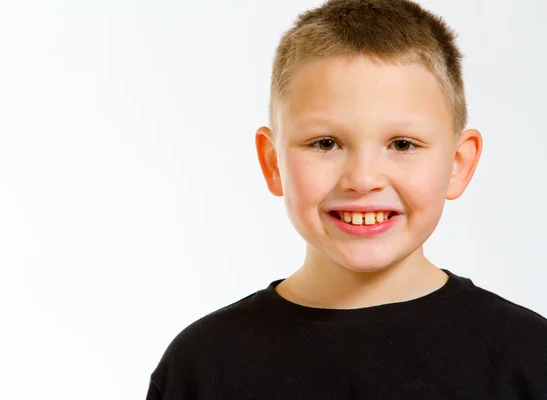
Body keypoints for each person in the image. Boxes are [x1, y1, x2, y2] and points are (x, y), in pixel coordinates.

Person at [146, 0, 547, 398]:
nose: (363, 179)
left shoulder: (529, 359)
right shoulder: (202, 367)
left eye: (402, 144)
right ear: (273, 163)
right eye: (326, 143)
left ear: (458, 165)